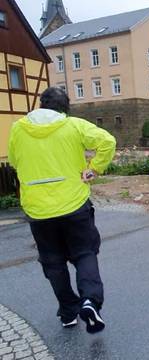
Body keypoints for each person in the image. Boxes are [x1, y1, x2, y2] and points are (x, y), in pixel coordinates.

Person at [8, 87, 116, 333]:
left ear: (41, 104)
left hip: (38, 210)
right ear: (64, 107)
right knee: (84, 253)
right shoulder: (74, 125)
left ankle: (68, 312)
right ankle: (90, 301)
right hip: (74, 204)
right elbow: (107, 142)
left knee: (53, 262)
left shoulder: (18, 128)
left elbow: (14, 161)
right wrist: (94, 169)